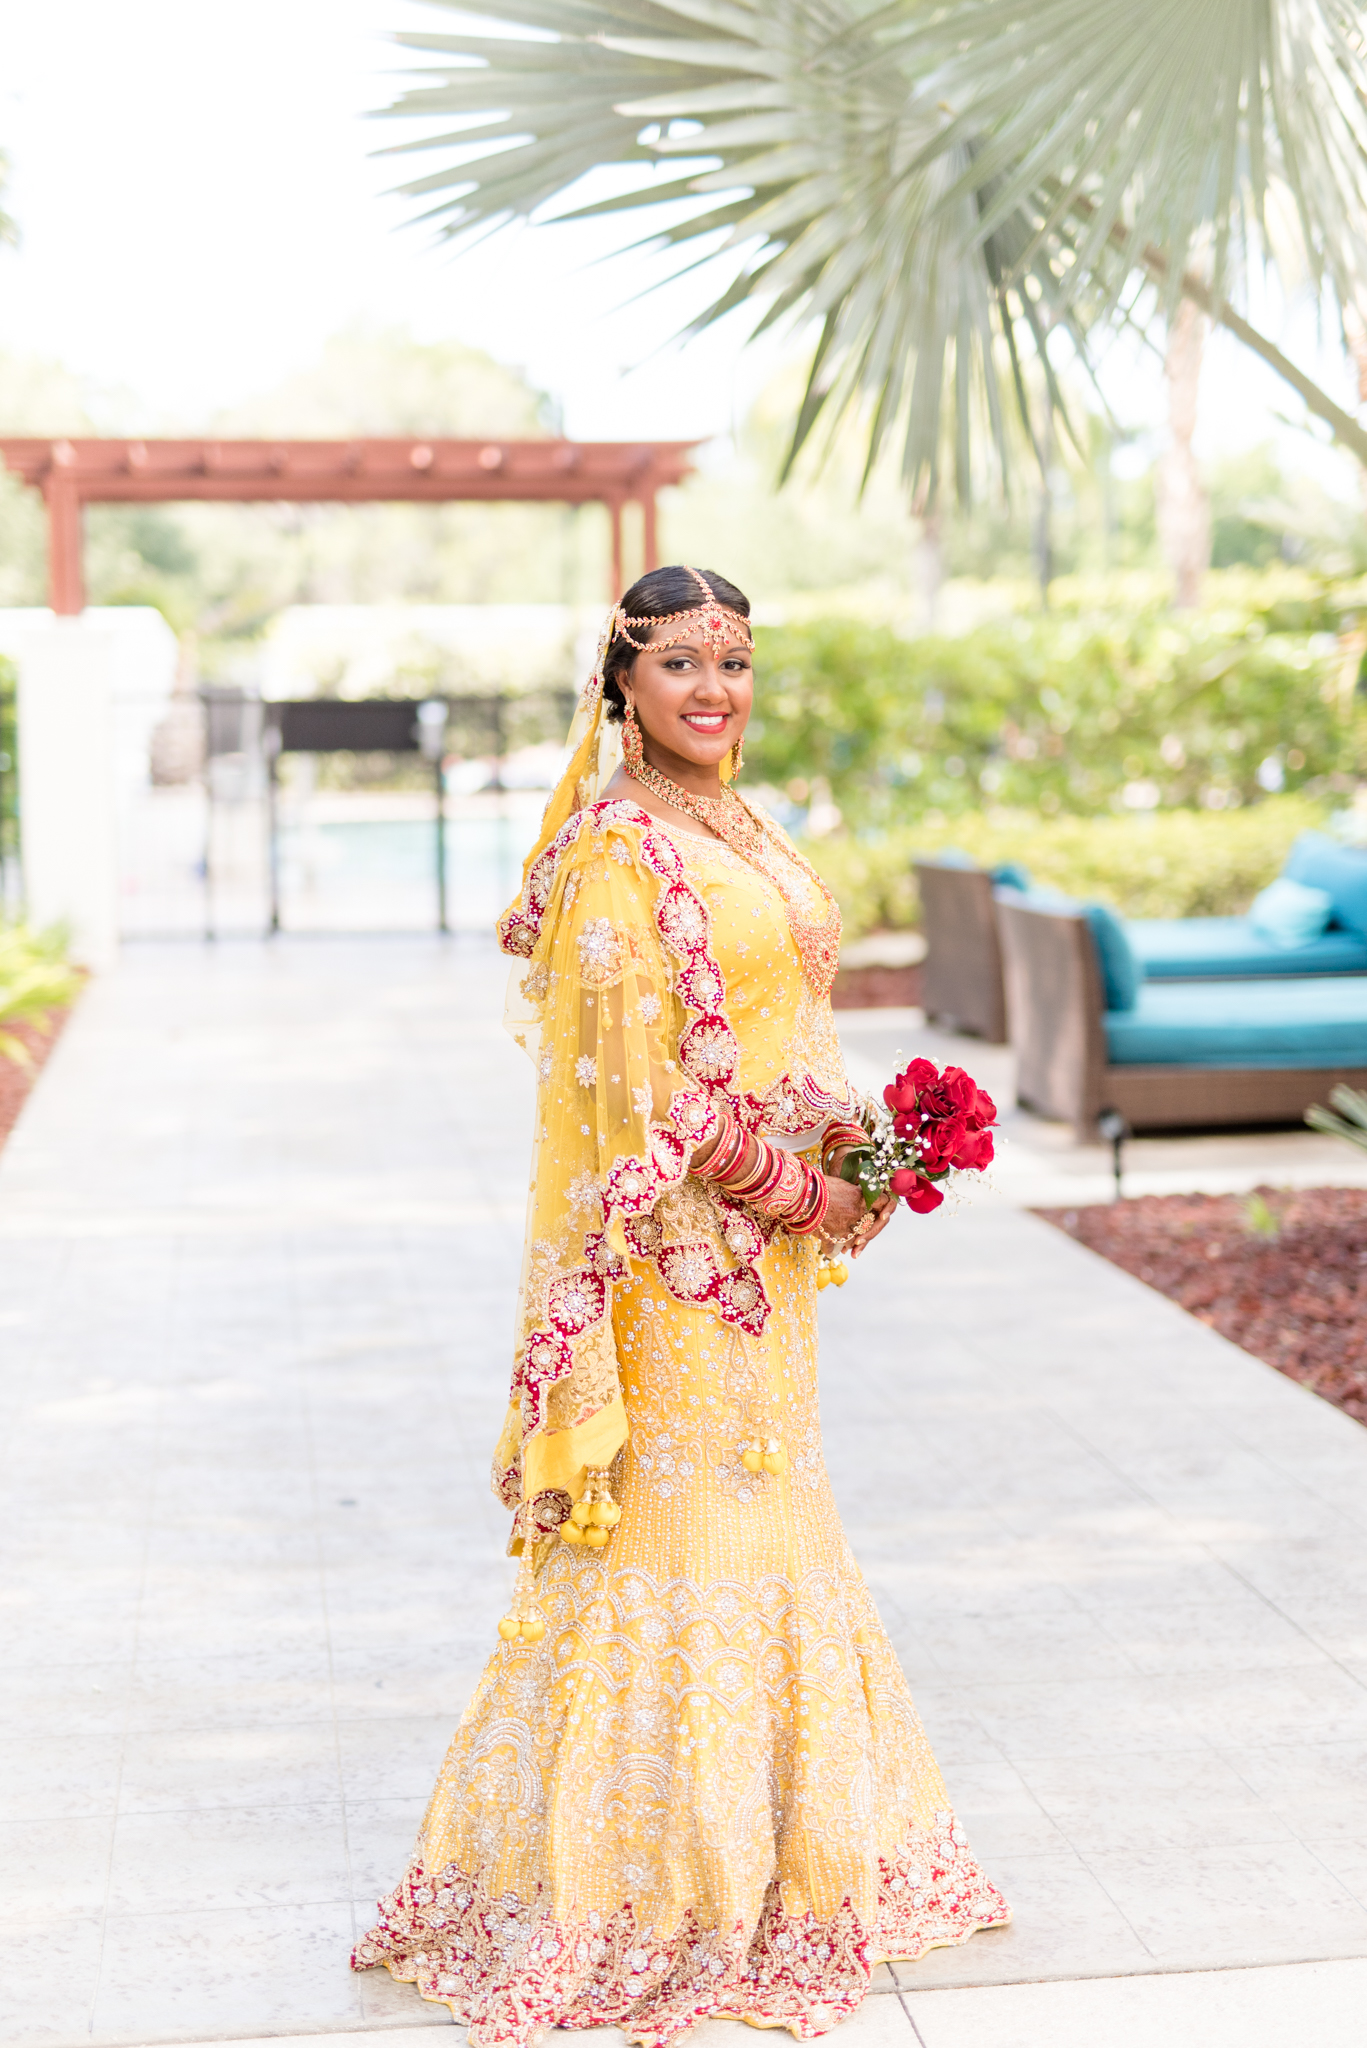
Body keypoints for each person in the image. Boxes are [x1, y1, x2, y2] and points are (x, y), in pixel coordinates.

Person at [352, 566, 1009, 2044]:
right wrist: (811, 1192)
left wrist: (874, 1148)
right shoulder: (616, 853)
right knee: (683, 1534)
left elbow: (791, 1023)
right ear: (622, 685)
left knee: (778, 1531)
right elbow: (641, 1102)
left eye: (735, 662)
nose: (714, 691)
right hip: (679, 1281)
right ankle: (638, 1884)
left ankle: (786, 1851)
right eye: (680, 667)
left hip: (767, 1275)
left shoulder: (737, 821)